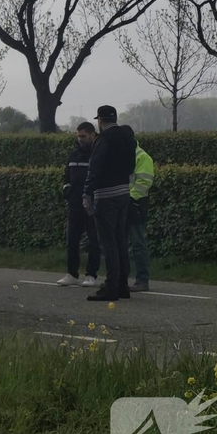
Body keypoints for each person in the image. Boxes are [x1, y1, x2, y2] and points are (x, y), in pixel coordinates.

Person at [83, 105, 137, 302]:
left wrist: (87, 192)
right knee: (121, 240)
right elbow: (132, 165)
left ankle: (111, 287)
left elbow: (95, 166)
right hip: (124, 191)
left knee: (108, 243)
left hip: (106, 195)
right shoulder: (127, 136)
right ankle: (123, 285)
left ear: (100, 121)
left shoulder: (104, 139)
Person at [57, 122, 101, 287]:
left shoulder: (97, 154)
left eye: (83, 136)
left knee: (93, 241)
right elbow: (66, 177)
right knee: (72, 240)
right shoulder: (73, 155)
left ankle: (91, 274)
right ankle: (72, 273)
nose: (80, 139)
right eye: (78, 136)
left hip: (92, 205)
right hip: (75, 204)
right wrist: (67, 190)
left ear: (92, 135)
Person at [122, 126, 154, 292]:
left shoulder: (142, 156)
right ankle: (122, 278)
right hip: (123, 203)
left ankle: (142, 279)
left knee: (137, 244)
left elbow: (144, 182)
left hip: (135, 205)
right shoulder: (124, 155)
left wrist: (128, 198)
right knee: (121, 244)